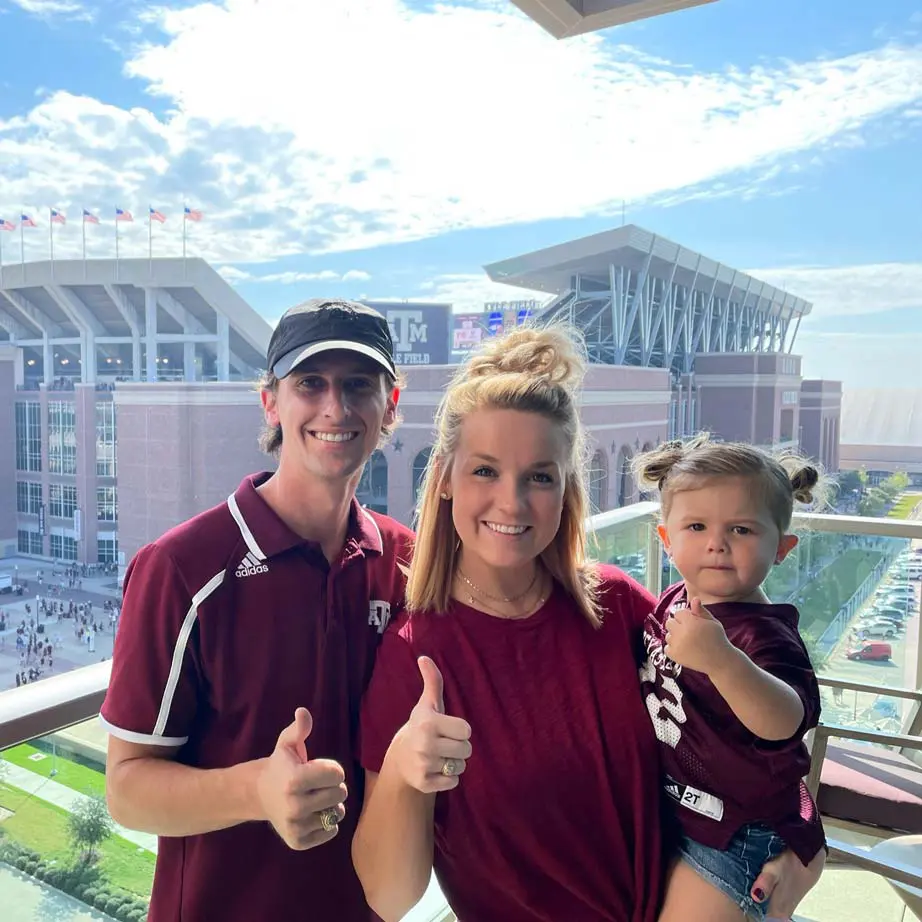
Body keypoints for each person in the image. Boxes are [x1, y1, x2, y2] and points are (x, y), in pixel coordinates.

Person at [352, 325, 823, 922]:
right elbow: (390, 899)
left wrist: (804, 841)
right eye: (485, 471)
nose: (512, 502)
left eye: (540, 476)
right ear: (444, 478)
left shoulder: (620, 606)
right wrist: (402, 770)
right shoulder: (416, 653)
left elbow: (749, 738)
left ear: (567, 488)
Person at [100, 299, 414, 922]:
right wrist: (256, 791)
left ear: (391, 405)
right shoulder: (183, 568)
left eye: (359, 385)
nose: (336, 407)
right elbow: (127, 789)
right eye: (310, 384)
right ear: (270, 402)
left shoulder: (404, 559)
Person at [632, 435, 826, 922]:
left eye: (741, 529)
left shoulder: (763, 635)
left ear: (782, 548)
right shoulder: (677, 597)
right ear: (666, 539)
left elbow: (786, 720)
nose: (716, 543)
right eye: (696, 526)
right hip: (684, 812)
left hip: (736, 835)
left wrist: (722, 661)